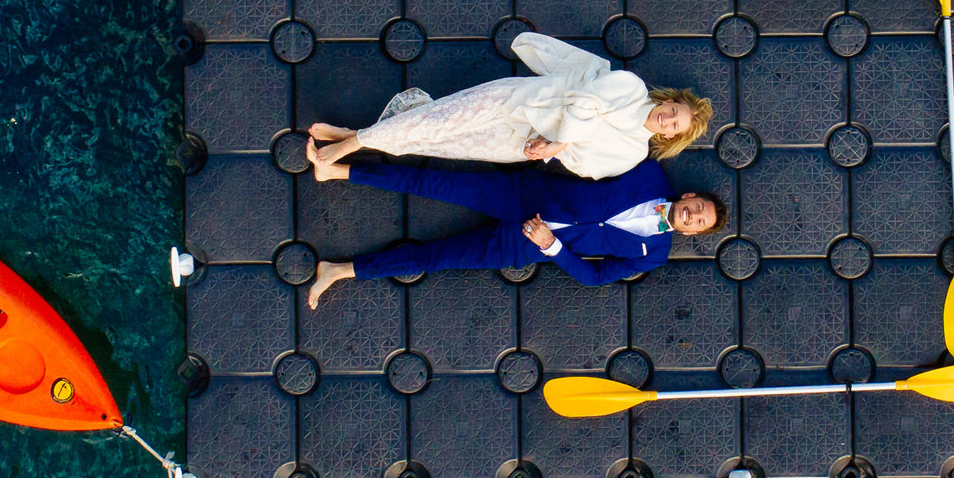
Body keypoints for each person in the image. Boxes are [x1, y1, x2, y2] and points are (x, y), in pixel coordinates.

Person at [304, 157, 724, 308]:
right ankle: (338, 169)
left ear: (692, 234)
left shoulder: (655, 254)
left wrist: (552, 245)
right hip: (525, 193)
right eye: (699, 207)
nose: (694, 215)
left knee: (434, 258)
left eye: (700, 222)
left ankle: (340, 271)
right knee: (431, 182)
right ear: (689, 195)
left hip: (525, 244)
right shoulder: (650, 173)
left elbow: (594, 277)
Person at [306, 30, 711, 181]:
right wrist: (559, 143)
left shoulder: (633, 152)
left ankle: (352, 136)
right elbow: (585, 104)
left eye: (675, 126)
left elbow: (590, 168)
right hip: (518, 100)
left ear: (668, 136)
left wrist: (550, 152)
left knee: (437, 142)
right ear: (669, 101)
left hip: (521, 145)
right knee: (435, 121)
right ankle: (347, 146)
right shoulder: (630, 86)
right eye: (675, 111)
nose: (669, 119)